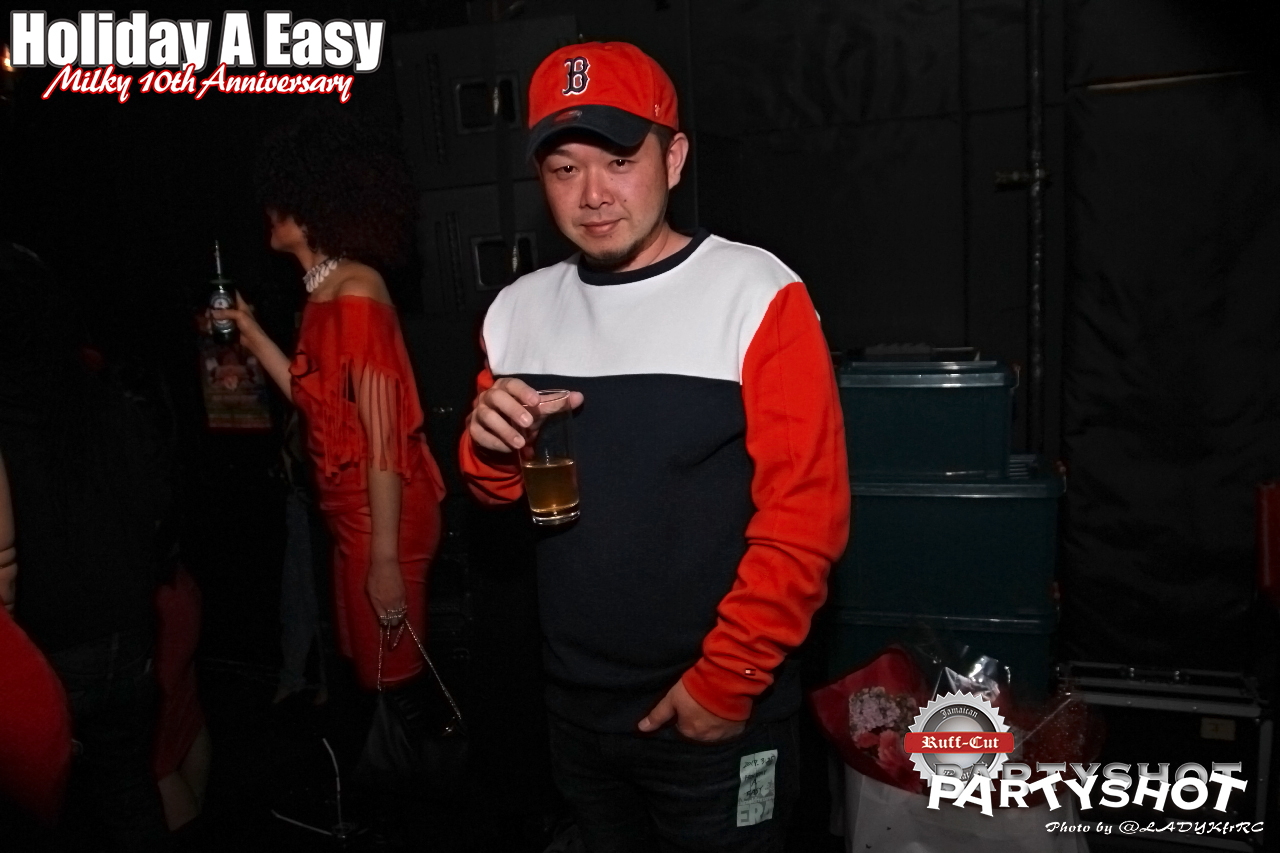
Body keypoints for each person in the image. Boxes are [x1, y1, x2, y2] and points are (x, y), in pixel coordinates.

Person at [459, 42, 850, 852]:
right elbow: (498, 494)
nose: (593, 195)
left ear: (672, 158)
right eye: (564, 169)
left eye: (618, 160)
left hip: (715, 716)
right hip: (576, 714)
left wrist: (728, 682)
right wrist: (487, 449)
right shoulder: (515, 311)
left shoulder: (757, 293)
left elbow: (806, 516)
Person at [211, 108, 446, 697]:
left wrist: (385, 558)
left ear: (315, 202)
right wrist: (249, 332)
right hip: (350, 513)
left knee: (392, 686)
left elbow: (384, 436)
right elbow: (312, 401)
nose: (269, 208)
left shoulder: (357, 291)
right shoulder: (324, 294)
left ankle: (425, 759)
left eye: (283, 195)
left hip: (382, 516)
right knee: (368, 677)